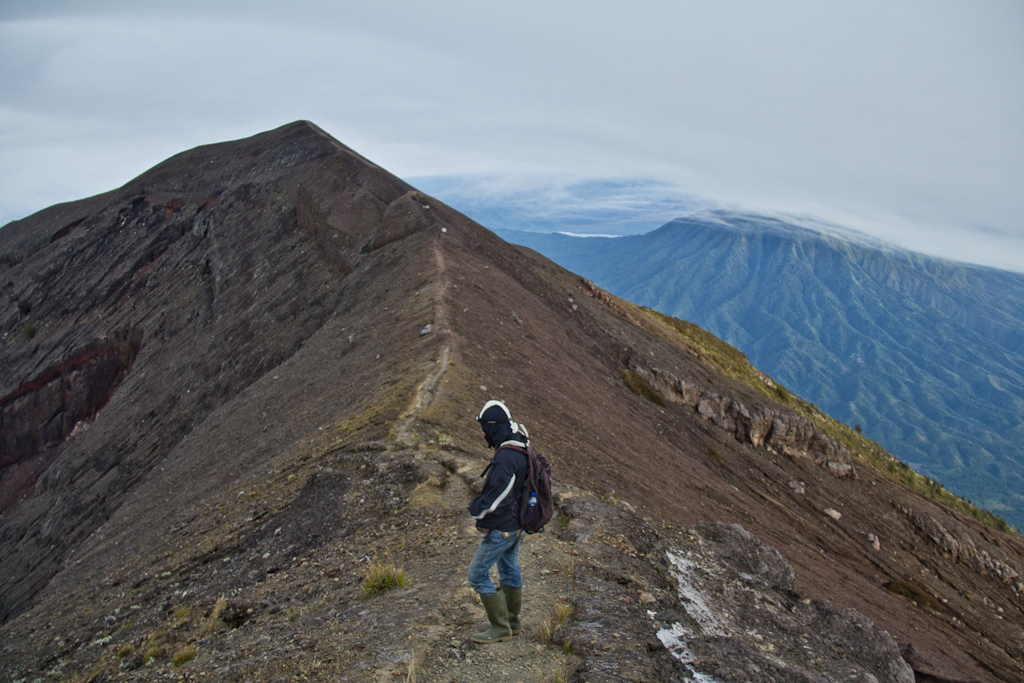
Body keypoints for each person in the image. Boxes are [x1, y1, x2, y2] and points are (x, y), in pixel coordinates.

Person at [467, 400, 530, 643]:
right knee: (509, 569)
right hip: (517, 525)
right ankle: (513, 622)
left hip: (502, 528)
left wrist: (477, 513)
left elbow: (497, 497)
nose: (483, 433)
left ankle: (500, 627)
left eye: (485, 428)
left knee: (476, 575)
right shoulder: (521, 444)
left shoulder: (506, 457)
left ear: (494, 426)